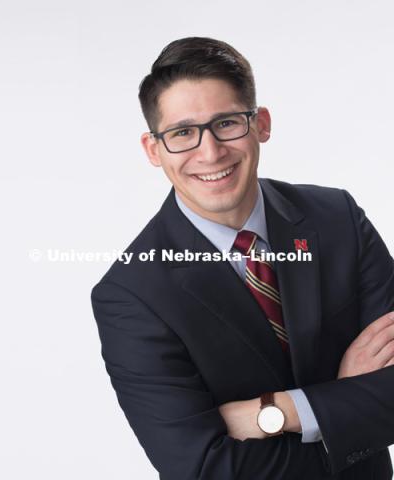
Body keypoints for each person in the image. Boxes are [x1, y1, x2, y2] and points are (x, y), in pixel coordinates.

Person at [90, 37, 394, 479]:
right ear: (153, 150)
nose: (210, 152)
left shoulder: (337, 219)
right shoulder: (130, 295)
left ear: (261, 124)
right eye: (182, 133)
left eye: (227, 123)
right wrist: (345, 403)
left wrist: (273, 413)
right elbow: (203, 467)